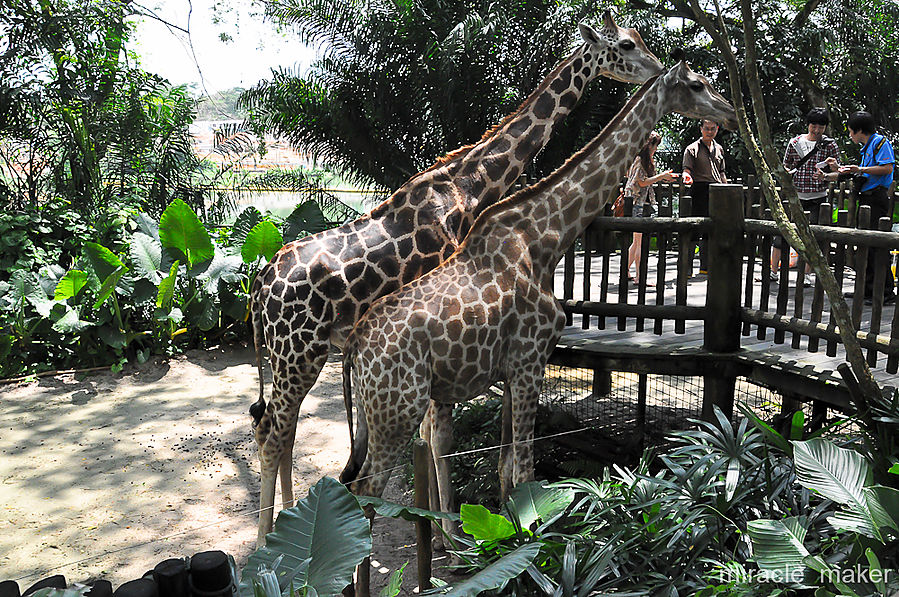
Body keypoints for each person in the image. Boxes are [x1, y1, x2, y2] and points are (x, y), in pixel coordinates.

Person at [821, 111, 895, 304]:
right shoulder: (866, 148)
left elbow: (887, 168)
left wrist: (860, 169)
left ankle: (885, 292)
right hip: (866, 200)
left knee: (877, 245)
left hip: (877, 198)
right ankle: (866, 289)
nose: (850, 135)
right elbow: (858, 174)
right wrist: (832, 172)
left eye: (851, 131)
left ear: (859, 130)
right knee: (866, 245)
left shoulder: (880, 143)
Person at [768, 107, 841, 283]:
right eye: (813, 126)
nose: (816, 131)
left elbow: (839, 172)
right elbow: (786, 166)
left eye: (821, 127)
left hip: (818, 197)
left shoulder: (830, 145)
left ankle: (807, 274)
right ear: (807, 125)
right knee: (782, 234)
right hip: (795, 196)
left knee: (812, 236)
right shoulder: (795, 143)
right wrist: (784, 173)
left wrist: (827, 174)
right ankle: (773, 271)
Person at [624, 131, 678, 284]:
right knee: (639, 242)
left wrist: (665, 177)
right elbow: (641, 182)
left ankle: (626, 271)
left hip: (642, 203)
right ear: (648, 145)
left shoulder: (646, 159)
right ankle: (639, 278)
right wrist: (661, 176)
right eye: (654, 146)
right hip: (636, 203)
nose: (655, 149)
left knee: (636, 241)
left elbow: (645, 181)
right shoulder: (640, 159)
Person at [682, 119, 728, 274]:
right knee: (694, 228)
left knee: (711, 229)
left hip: (715, 190)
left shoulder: (719, 148)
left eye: (713, 129)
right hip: (698, 189)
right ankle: (687, 268)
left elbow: (722, 172)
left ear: (717, 129)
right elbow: (687, 169)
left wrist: (725, 188)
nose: (709, 132)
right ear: (701, 129)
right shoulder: (692, 149)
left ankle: (705, 267)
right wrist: (685, 177)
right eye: (706, 128)